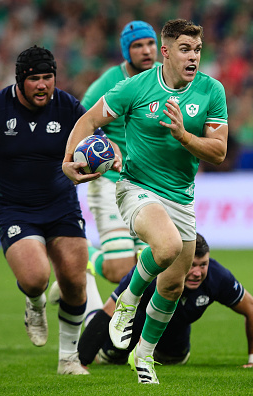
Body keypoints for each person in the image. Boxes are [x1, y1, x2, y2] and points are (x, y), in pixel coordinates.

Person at [0, 45, 120, 375]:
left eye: (49, 77)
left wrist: (111, 157)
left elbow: (100, 139)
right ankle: (34, 303)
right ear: (20, 81)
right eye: (35, 79)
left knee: (75, 282)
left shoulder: (66, 106)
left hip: (61, 207)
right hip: (14, 208)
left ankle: (68, 360)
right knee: (35, 279)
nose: (44, 85)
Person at [62, 19, 228, 384]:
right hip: (136, 187)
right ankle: (127, 300)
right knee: (165, 247)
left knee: (172, 286)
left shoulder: (211, 91)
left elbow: (218, 152)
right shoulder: (135, 87)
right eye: (185, 49)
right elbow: (88, 119)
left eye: (198, 50)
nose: (193, 57)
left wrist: (184, 136)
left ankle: (144, 355)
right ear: (166, 52)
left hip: (181, 197)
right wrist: (67, 159)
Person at [75, 233, 253, 368]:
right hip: (137, 324)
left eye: (203, 265)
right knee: (110, 358)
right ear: (177, 262)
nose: (197, 273)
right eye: (191, 265)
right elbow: (110, 311)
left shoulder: (218, 277)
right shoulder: (147, 273)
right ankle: (86, 282)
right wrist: (82, 360)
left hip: (176, 336)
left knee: (175, 361)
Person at [81, 20, 160, 284]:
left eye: (150, 43)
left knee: (154, 263)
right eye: (138, 46)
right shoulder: (109, 81)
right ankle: (82, 255)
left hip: (153, 183)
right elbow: (80, 120)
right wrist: (105, 142)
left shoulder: (166, 76)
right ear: (127, 51)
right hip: (111, 182)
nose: (147, 50)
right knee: (119, 271)